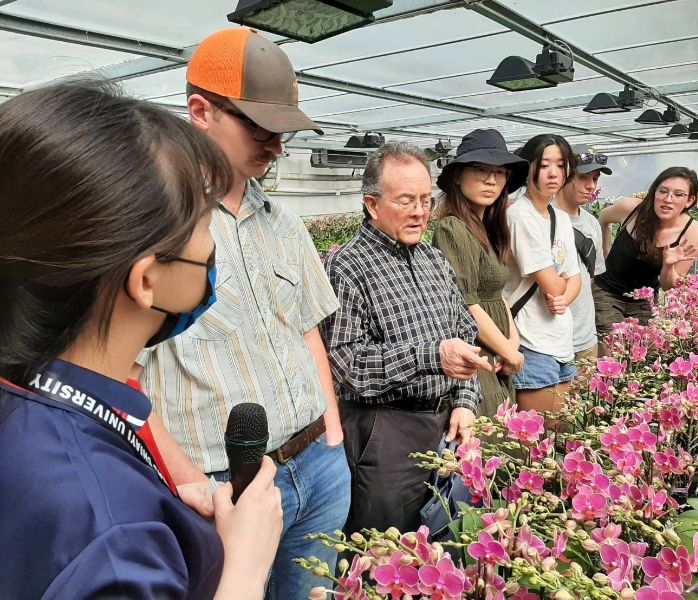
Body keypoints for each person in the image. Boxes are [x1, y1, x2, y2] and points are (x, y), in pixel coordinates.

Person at [0, 81, 282, 599]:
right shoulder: (112, 536)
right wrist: (244, 566)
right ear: (147, 280)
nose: (211, 246)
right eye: (202, 222)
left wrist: (163, 502)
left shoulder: (28, 401)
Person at [135, 29, 349, 600]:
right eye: (260, 128)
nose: (277, 146)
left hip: (317, 467)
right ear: (201, 111)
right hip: (220, 484)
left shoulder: (285, 223)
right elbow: (124, 374)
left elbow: (307, 330)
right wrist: (188, 481)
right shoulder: (155, 225)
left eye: (284, 131)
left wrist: (331, 435)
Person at [320, 142, 493, 534]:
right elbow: (346, 366)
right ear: (371, 204)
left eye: (425, 199)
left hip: (447, 423)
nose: (419, 212)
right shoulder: (346, 267)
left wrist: (465, 402)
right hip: (386, 434)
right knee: (386, 554)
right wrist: (430, 356)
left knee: (446, 544)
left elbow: (465, 336)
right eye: (405, 201)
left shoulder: (434, 260)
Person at [432, 129, 529, 417]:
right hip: (476, 352)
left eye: (500, 173)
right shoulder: (452, 228)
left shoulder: (488, 230)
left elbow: (498, 295)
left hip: (497, 353)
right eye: (481, 170)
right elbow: (466, 302)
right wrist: (509, 352)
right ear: (457, 176)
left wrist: (513, 346)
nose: (491, 180)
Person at [505, 134, 581, 415]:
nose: (553, 173)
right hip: (531, 342)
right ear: (529, 168)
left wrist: (565, 297)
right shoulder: (521, 215)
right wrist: (563, 289)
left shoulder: (559, 216)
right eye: (544, 164)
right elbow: (552, 283)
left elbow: (577, 279)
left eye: (560, 165)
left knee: (559, 435)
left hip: (561, 340)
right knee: (534, 440)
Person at [593, 166, 698, 344]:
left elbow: (671, 287)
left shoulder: (693, 232)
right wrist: (602, 259)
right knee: (613, 349)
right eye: (662, 191)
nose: (668, 199)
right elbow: (603, 218)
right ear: (654, 191)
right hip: (607, 292)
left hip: (644, 303)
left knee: (641, 352)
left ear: (690, 201)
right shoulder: (631, 209)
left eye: (678, 194)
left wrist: (669, 266)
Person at [553, 144, 611, 360]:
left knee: (588, 393)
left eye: (595, 178)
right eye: (583, 177)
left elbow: (592, 279)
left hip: (586, 339)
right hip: (553, 340)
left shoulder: (592, 223)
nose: (591, 186)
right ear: (565, 175)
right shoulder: (543, 219)